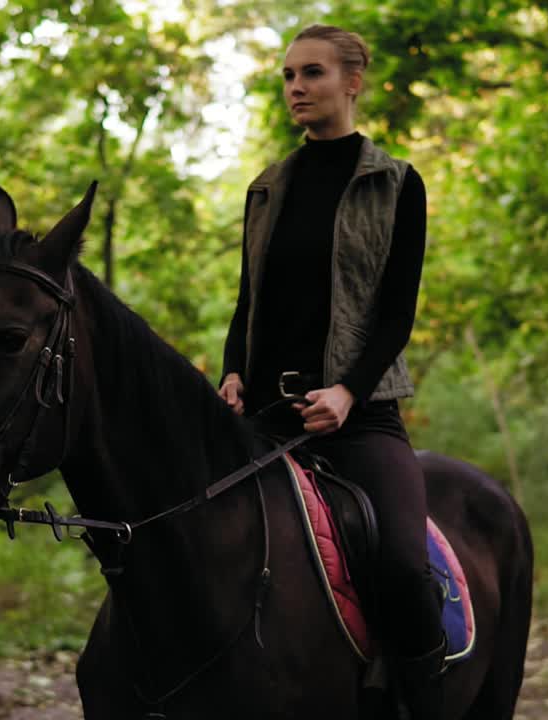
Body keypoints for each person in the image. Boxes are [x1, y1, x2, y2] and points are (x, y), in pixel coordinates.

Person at [217, 24, 444, 719]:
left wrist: (348, 391)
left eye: (312, 73)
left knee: (402, 564)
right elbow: (249, 299)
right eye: (288, 75)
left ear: (352, 82)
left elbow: (397, 314)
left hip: (359, 417)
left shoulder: (395, 183)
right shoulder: (267, 186)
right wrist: (232, 374)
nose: (296, 87)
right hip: (264, 421)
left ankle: (417, 704)